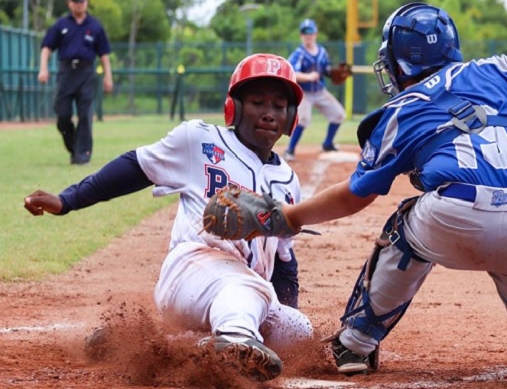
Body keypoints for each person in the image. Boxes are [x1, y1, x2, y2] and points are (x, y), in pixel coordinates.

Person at [228, 3, 507, 388]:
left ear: (398, 60)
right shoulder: (495, 69)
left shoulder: (400, 109)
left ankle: (354, 343)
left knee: (404, 223)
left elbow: (356, 196)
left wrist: (291, 216)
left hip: (458, 212)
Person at [24, 53, 313, 382]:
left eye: (279, 106)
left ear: (291, 116)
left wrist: (284, 310)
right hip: (191, 271)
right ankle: (234, 342)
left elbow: (284, 260)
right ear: (234, 106)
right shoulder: (199, 140)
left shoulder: (289, 182)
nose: (269, 113)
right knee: (249, 289)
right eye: (258, 102)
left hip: (242, 294)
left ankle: (160, 345)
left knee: (298, 330)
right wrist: (68, 199)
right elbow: (135, 166)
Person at [38, 0, 113, 165]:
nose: (80, 4)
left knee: (85, 114)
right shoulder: (61, 25)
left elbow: (104, 54)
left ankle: (82, 155)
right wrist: (43, 69)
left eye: (83, 0)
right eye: (76, 0)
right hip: (66, 72)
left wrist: (108, 77)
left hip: (86, 73)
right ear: (69, 2)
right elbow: (47, 47)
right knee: (62, 114)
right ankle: (75, 147)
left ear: (86, 2)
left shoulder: (95, 26)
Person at [284, 18, 347, 162]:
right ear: (301, 35)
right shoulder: (299, 53)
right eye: (305, 32)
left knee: (339, 115)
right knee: (303, 119)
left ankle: (328, 144)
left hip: (320, 91)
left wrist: (333, 72)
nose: (308, 35)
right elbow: (292, 72)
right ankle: (290, 150)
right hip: (304, 93)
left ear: (315, 34)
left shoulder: (322, 52)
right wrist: (308, 76)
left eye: (310, 32)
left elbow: (326, 69)